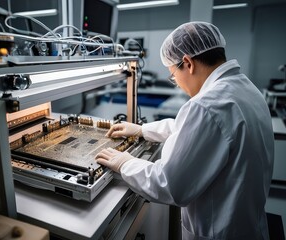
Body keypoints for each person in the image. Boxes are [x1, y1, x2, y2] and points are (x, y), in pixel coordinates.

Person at [95, 21, 274, 240]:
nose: (176, 83)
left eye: (173, 75)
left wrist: (125, 163)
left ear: (188, 63)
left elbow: (170, 184)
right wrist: (142, 129)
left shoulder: (207, 105)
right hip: (249, 226)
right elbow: (201, 131)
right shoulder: (245, 88)